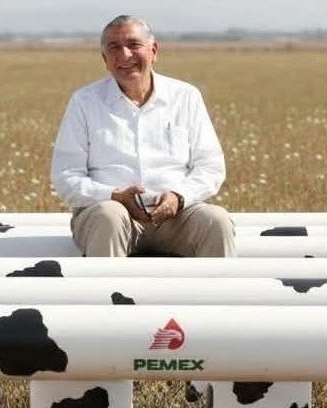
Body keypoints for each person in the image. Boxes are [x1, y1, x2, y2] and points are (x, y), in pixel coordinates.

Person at [50, 15, 235, 258]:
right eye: (114, 48)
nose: (125, 55)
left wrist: (179, 197)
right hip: (109, 214)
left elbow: (210, 166)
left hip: (177, 217)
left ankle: (217, 297)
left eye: (134, 45)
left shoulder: (185, 97)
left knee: (216, 221)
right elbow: (66, 175)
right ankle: (105, 295)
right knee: (109, 216)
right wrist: (113, 196)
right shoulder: (85, 102)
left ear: (154, 50)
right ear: (105, 59)